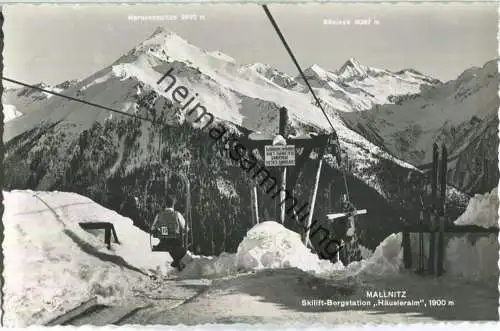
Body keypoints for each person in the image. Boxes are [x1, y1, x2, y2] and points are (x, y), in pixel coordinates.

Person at [150, 195, 189, 271]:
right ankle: (177, 262)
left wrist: (158, 229)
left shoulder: (159, 214)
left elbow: (152, 228)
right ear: (173, 204)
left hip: (164, 240)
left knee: (169, 244)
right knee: (180, 250)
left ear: (165, 203)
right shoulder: (177, 214)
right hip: (176, 240)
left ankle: (176, 262)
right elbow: (186, 228)